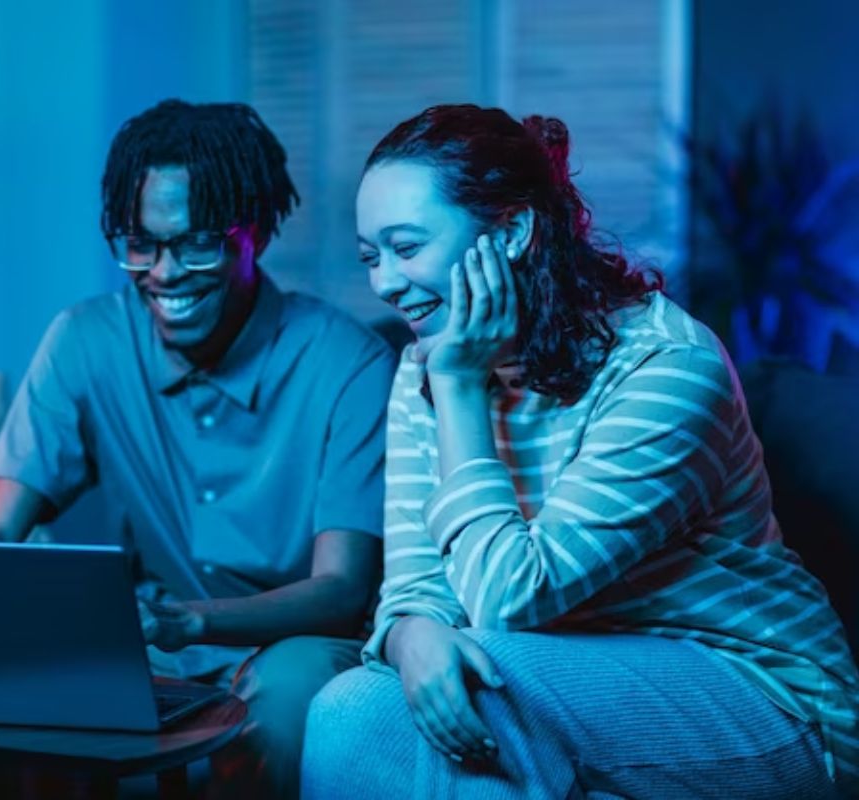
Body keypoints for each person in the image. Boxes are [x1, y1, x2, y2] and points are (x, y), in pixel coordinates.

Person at [301, 104, 859, 799]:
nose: (383, 282)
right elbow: (416, 583)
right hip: (559, 674)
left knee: (475, 691)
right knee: (350, 709)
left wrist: (462, 393)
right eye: (369, 256)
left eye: (406, 247)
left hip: (758, 692)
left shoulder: (668, 369)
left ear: (511, 230)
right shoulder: (425, 366)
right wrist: (411, 636)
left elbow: (511, 597)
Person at [0, 98, 395, 797]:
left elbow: (343, 591)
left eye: (197, 243)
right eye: (141, 244)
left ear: (253, 232)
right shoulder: (85, 340)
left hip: (294, 644)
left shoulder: (348, 365)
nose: (164, 273)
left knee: (283, 700)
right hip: (144, 643)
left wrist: (188, 620)